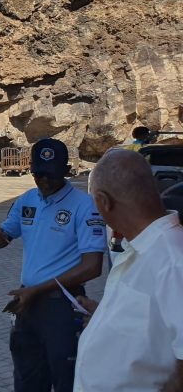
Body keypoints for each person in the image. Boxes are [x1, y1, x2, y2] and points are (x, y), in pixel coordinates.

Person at [0, 137, 106, 392]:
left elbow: (93, 266)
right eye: (39, 174)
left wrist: (37, 291)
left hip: (63, 305)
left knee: (66, 380)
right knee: (27, 379)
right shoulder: (27, 199)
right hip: (28, 303)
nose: (45, 181)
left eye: (52, 174)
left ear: (66, 171)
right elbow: (3, 237)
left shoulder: (85, 206)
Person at [73, 149, 183, 392]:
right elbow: (155, 322)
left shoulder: (173, 261)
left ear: (104, 202)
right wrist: (107, 315)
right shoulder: (142, 248)